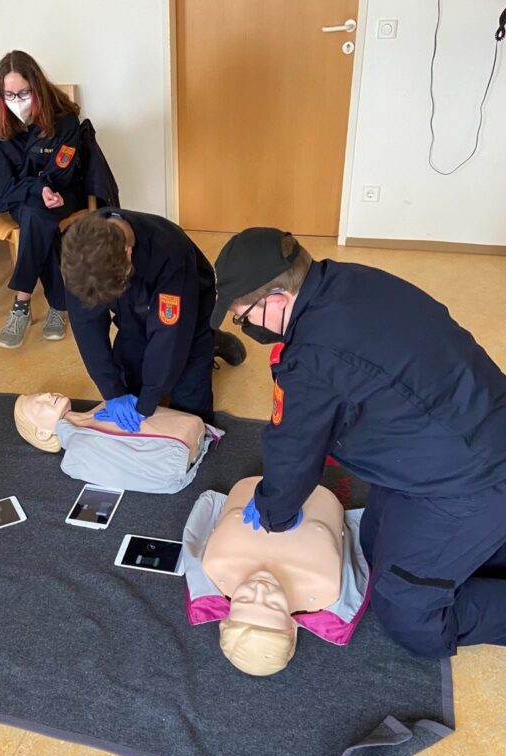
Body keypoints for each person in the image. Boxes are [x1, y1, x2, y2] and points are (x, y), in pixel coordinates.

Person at [210, 227, 506, 659]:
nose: (246, 326)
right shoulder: (352, 279)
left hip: (469, 477)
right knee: (372, 543)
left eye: (244, 316)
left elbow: (293, 453)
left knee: (406, 615)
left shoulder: (312, 357)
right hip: (461, 430)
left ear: (276, 299)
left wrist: (273, 509)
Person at [61, 209, 246, 429]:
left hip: (189, 309)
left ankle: (208, 340)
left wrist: (148, 403)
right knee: (128, 386)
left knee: (191, 416)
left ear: (128, 253)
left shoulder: (168, 252)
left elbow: (170, 338)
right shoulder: (79, 252)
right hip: (133, 313)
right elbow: (86, 325)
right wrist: (112, 391)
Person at [182, 477, 368, 677]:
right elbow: (358, 550)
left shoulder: (215, 566)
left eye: (244, 599)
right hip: (318, 491)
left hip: (251, 484)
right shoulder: (324, 586)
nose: (259, 590)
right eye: (272, 604)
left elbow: (203, 516)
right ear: (292, 627)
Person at [0, 50, 88, 348]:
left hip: (63, 194)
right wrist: (36, 188)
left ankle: (21, 304)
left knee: (36, 215)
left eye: (24, 92)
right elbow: (5, 186)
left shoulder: (65, 120)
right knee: (36, 215)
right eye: (9, 94)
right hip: (27, 201)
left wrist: (30, 192)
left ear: (37, 87)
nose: (17, 100)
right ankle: (58, 305)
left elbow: (61, 176)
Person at [13, 392, 222, 493]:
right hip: (177, 456)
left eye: (41, 395)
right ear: (42, 434)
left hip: (186, 443)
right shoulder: (77, 454)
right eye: (39, 404)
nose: (47, 395)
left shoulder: (99, 410)